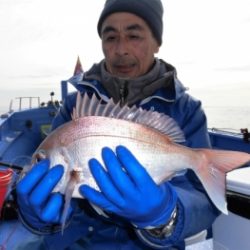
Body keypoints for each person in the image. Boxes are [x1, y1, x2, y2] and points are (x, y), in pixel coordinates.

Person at [16, 0, 220, 249]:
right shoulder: (74, 105)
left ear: (156, 42)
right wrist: (35, 216)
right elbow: (55, 203)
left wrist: (166, 214)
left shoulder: (187, 110)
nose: (121, 49)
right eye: (110, 37)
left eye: (133, 35)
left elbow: (206, 201)